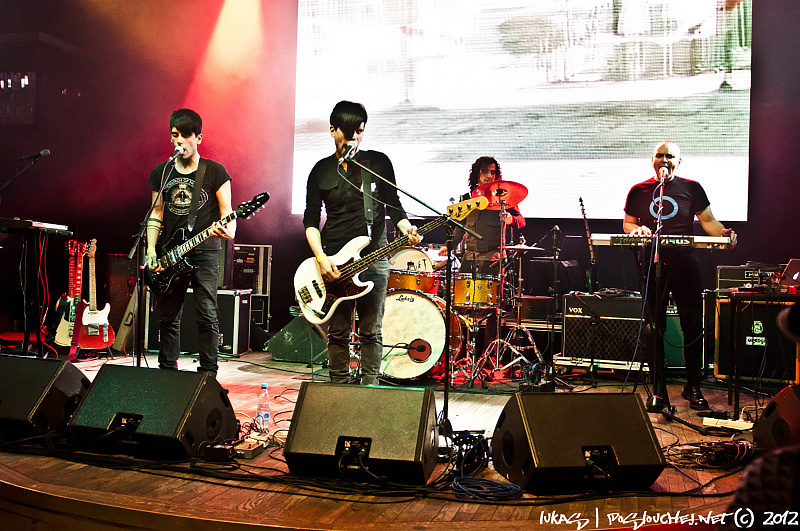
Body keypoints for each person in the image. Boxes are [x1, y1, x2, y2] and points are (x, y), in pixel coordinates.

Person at [303, 100, 420, 386]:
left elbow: (394, 205)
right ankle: (339, 388)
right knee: (339, 331)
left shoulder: (377, 163)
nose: (355, 138)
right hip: (335, 261)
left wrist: (407, 227)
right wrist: (321, 258)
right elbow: (309, 221)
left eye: (360, 132)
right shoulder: (320, 171)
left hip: (375, 256)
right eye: (349, 132)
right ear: (333, 130)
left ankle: (370, 389)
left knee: (371, 330)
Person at [624, 140, 737, 412]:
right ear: (652, 159)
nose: (664, 160)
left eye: (670, 156)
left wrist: (723, 234)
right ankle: (658, 389)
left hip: (685, 263)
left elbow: (708, 221)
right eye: (660, 156)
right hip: (652, 263)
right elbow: (629, 222)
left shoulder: (691, 188)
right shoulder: (639, 190)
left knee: (692, 325)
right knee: (654, 328)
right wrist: (635, 231)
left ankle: (693, 385)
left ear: (679, 161)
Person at [145, 108, 235, 378]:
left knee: (207, 314)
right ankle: (166, 371)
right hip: (171, 253)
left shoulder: (215, 172)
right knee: (168, 317)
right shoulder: (162, 173)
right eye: (175, 135)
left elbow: (228, 213)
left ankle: (208, 374)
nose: (179, 141)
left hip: (205, 253)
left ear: (199, 138)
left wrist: (228, 229)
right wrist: (151, 249)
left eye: (185, 136)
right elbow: (156, 214)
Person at [439, 156, 526, 276]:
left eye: (492, 172)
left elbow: (521, 221)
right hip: (469, 257)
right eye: (485, 171)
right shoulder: (468, 199)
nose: (489, 175)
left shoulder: (502, 198)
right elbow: (460, 227)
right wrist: (448, 246)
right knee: (461, 293)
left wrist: (512, 220)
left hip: (493, 259)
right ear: (477, 173)